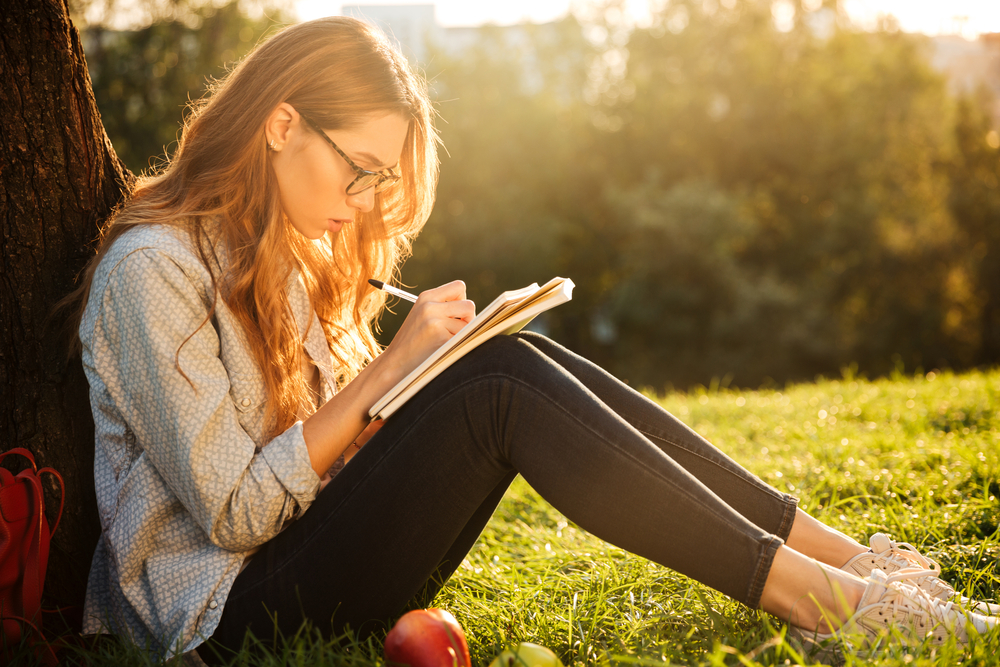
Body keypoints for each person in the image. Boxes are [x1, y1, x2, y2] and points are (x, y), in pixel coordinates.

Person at [69, 16, 996, 665]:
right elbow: (234, 510)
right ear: (281, 126)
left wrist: (398, 404)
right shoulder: (153, 270)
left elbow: (310, 465)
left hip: (302, 565)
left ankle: (850, 564)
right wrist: (392, 369)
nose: (362, 206)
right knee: (501, 382)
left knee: (516, 359)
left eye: (376, 183)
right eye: (360, 172)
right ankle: (829, 606)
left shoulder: (276, 253)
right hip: (217, 621)